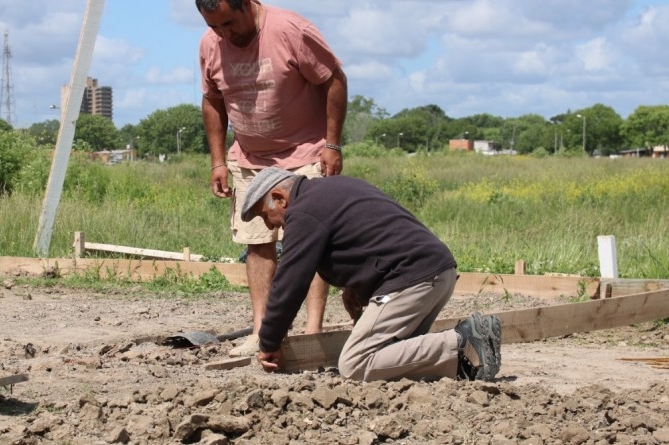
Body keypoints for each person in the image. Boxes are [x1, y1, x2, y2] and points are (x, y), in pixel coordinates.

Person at [239, 167, 503, 382]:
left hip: (413, 280)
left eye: (265, 215)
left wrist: (269, 341)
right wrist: (358, 285)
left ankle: (463, 341)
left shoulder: (304, 211)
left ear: (280, 198)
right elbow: (371, 237)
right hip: (437, 274)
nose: (270, 225)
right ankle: (465, 362)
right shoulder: (332, 189)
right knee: (394, 358)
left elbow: (290, 282)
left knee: (356, 363)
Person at [196, 0, 348, 356]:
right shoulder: (209, 44)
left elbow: (334, 80)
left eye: (229, 24)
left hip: (306, 154)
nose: (224, 34)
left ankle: (313, 331)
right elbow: (212, 101)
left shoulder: (291, 31)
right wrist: (218, 161)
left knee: (312, 242)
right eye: (215, 26)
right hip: (249, 159)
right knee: (257, 241)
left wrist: (332, 143)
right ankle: (264, 333)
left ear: (248, 5)